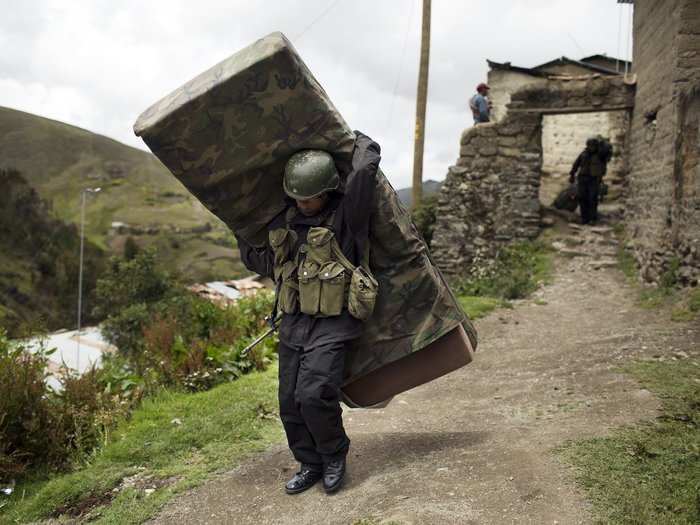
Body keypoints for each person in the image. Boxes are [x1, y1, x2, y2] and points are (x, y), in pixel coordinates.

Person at [235, 132, 380, 496]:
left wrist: (359, 141)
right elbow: (265, 262)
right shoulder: (285, 225)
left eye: (311, 197)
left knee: (314, 394)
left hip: (334, 323)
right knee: (289, 401)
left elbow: (363, 174)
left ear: (327, 190)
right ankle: (309, 462)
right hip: (296, 324)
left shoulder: (348, 218)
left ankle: (333, 456)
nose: (304, 204)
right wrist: (236, 223)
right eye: (298, 197)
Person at [569, 137, 610, 225]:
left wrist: (602, 142)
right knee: (582, 197)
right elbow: (576, 164)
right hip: (583, 178)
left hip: (594, 179)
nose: (591, 147)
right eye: (590, 145)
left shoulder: (600, 155)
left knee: (592, 198)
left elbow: (606, 151)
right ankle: (584, 218)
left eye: (593, 146)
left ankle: (592, 218)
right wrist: (572, 174)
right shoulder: (583, 154)